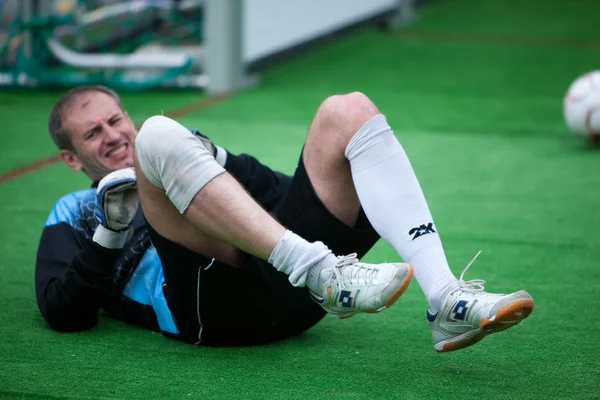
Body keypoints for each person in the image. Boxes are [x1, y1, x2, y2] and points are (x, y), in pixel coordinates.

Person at [36, 85, 534, 352]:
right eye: (91, 134)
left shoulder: (170, 151)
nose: (112, 135)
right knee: (159, 136)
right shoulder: (74, 212)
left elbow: (282, 193)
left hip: (295, 288)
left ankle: (445, 298)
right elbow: (62, 312)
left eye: (115, 120)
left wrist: (222, 157)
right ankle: (323, 270)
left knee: (347, 109)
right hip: (213, 313)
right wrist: (109, 232)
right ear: (72, 159)